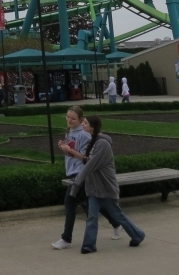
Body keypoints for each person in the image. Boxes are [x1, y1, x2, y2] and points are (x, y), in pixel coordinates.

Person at [69, 115, 145, 253]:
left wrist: (77, 181)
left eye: (85, 123)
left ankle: (138, 235)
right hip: (94, 188)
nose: (83, 125)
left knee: (117, 215)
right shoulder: (93, 141)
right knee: (92, 216)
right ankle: (88, 246)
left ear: (93, 127)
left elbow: (91, 164)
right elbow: (88, 161)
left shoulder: (102, 143)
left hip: (106, 187)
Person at [53, 106, 122, 250]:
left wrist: (69, 150)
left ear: (80, 120)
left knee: (70, 203)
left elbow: (86, 158)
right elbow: (72, 152)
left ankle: (66, 239)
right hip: (73, 172)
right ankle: (116, 223)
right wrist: (64, 148)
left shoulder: (84, 135)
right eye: (68, 117)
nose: (69, 120)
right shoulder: (70, 131)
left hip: (82, 173)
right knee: (93, 203)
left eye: (73, 118)